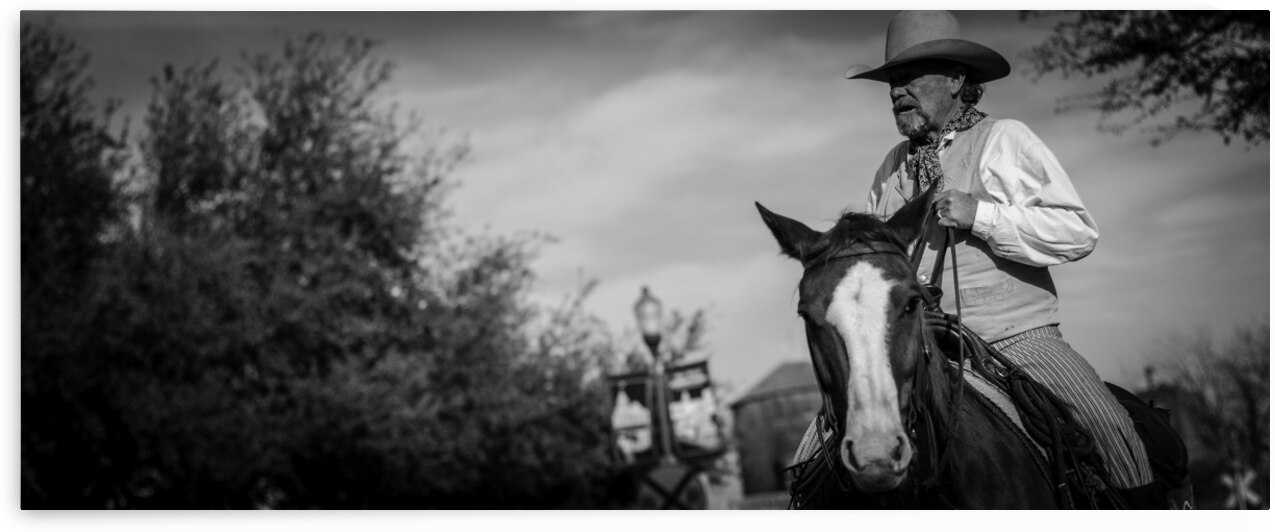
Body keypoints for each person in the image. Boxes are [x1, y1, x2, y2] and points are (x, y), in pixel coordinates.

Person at [848, 11, 1158, 504]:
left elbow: (1078, 232)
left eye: (910, 77)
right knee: (827, 438)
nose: (895, 90)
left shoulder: (1005, 139)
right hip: (923, 345)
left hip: (1015, 338)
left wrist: (982, 216)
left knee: (1107, 424)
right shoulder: (890, 168)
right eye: (891, 81)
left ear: (955, 79)